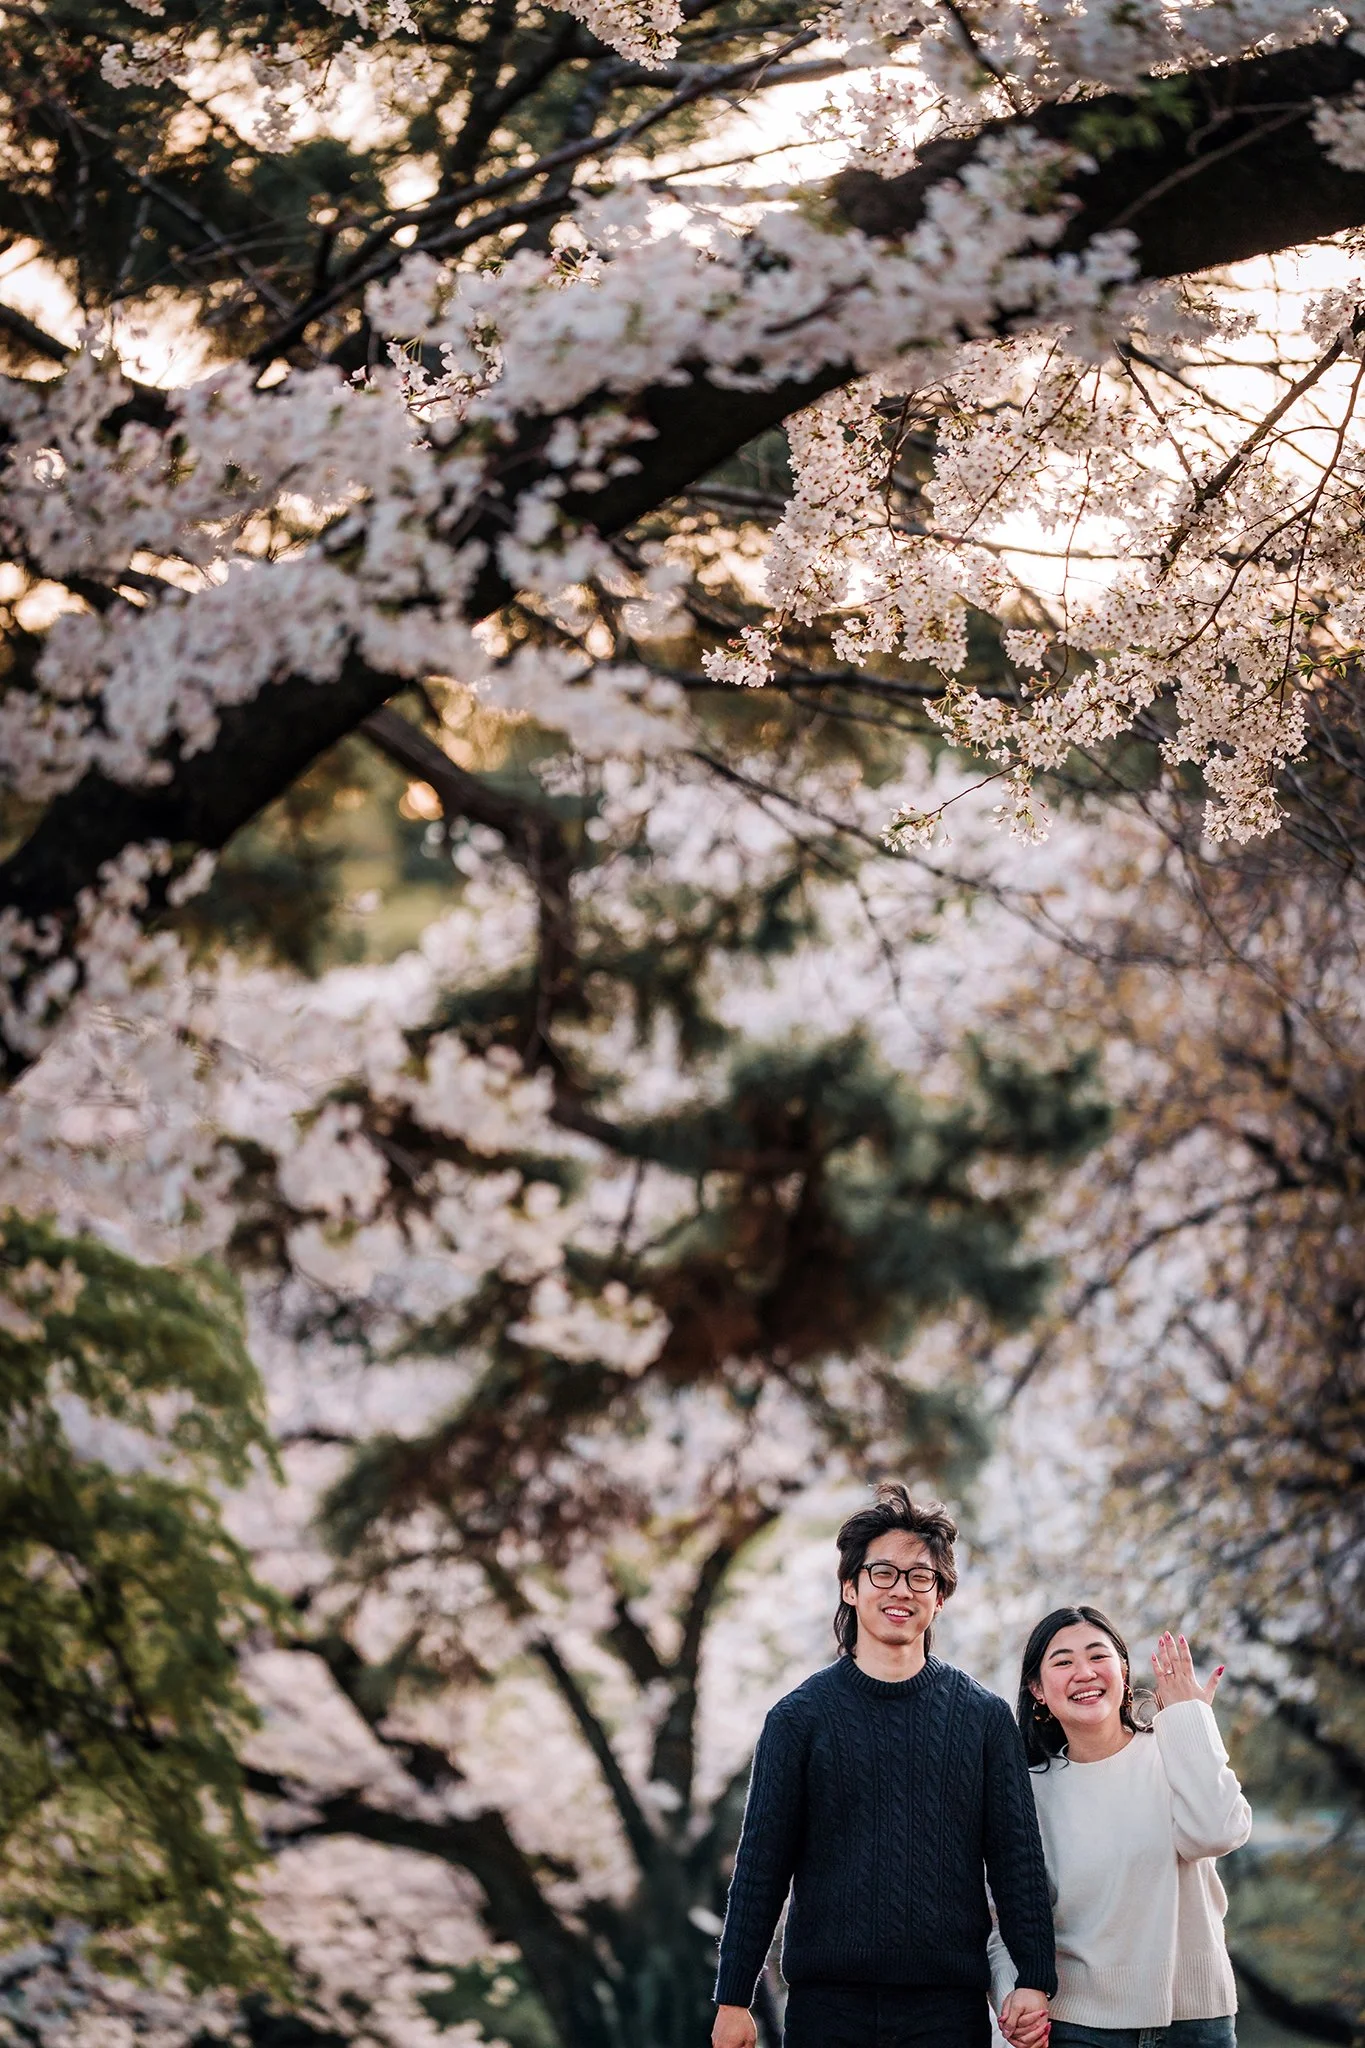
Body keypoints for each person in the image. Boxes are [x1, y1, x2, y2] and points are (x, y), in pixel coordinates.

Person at [711, 1485, 1057, 2048]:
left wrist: (1035, 1977)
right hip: (828, 2007)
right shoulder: (798, 1719)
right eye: (883, 1574)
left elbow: (1017, 1858)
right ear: (850, 1587)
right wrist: (733, 1998)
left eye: (921, 1577)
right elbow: (761, 1865)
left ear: (940, 1597)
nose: (902, 1590)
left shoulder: (984, 1719)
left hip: (947, 2008)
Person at [993, 1607, 1252, 2048]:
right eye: (1062, 1662)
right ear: (1037, 1689)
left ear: (1124, 1670)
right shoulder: (1025, 1790)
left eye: (1098, 1656)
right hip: (1079, 2027)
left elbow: (1217, 1833)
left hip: (1196, 2024)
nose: (1084, 1673)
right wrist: (1012, 1994)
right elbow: (1002, 1918)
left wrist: (1190, 1717)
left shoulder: (1176, 1748)